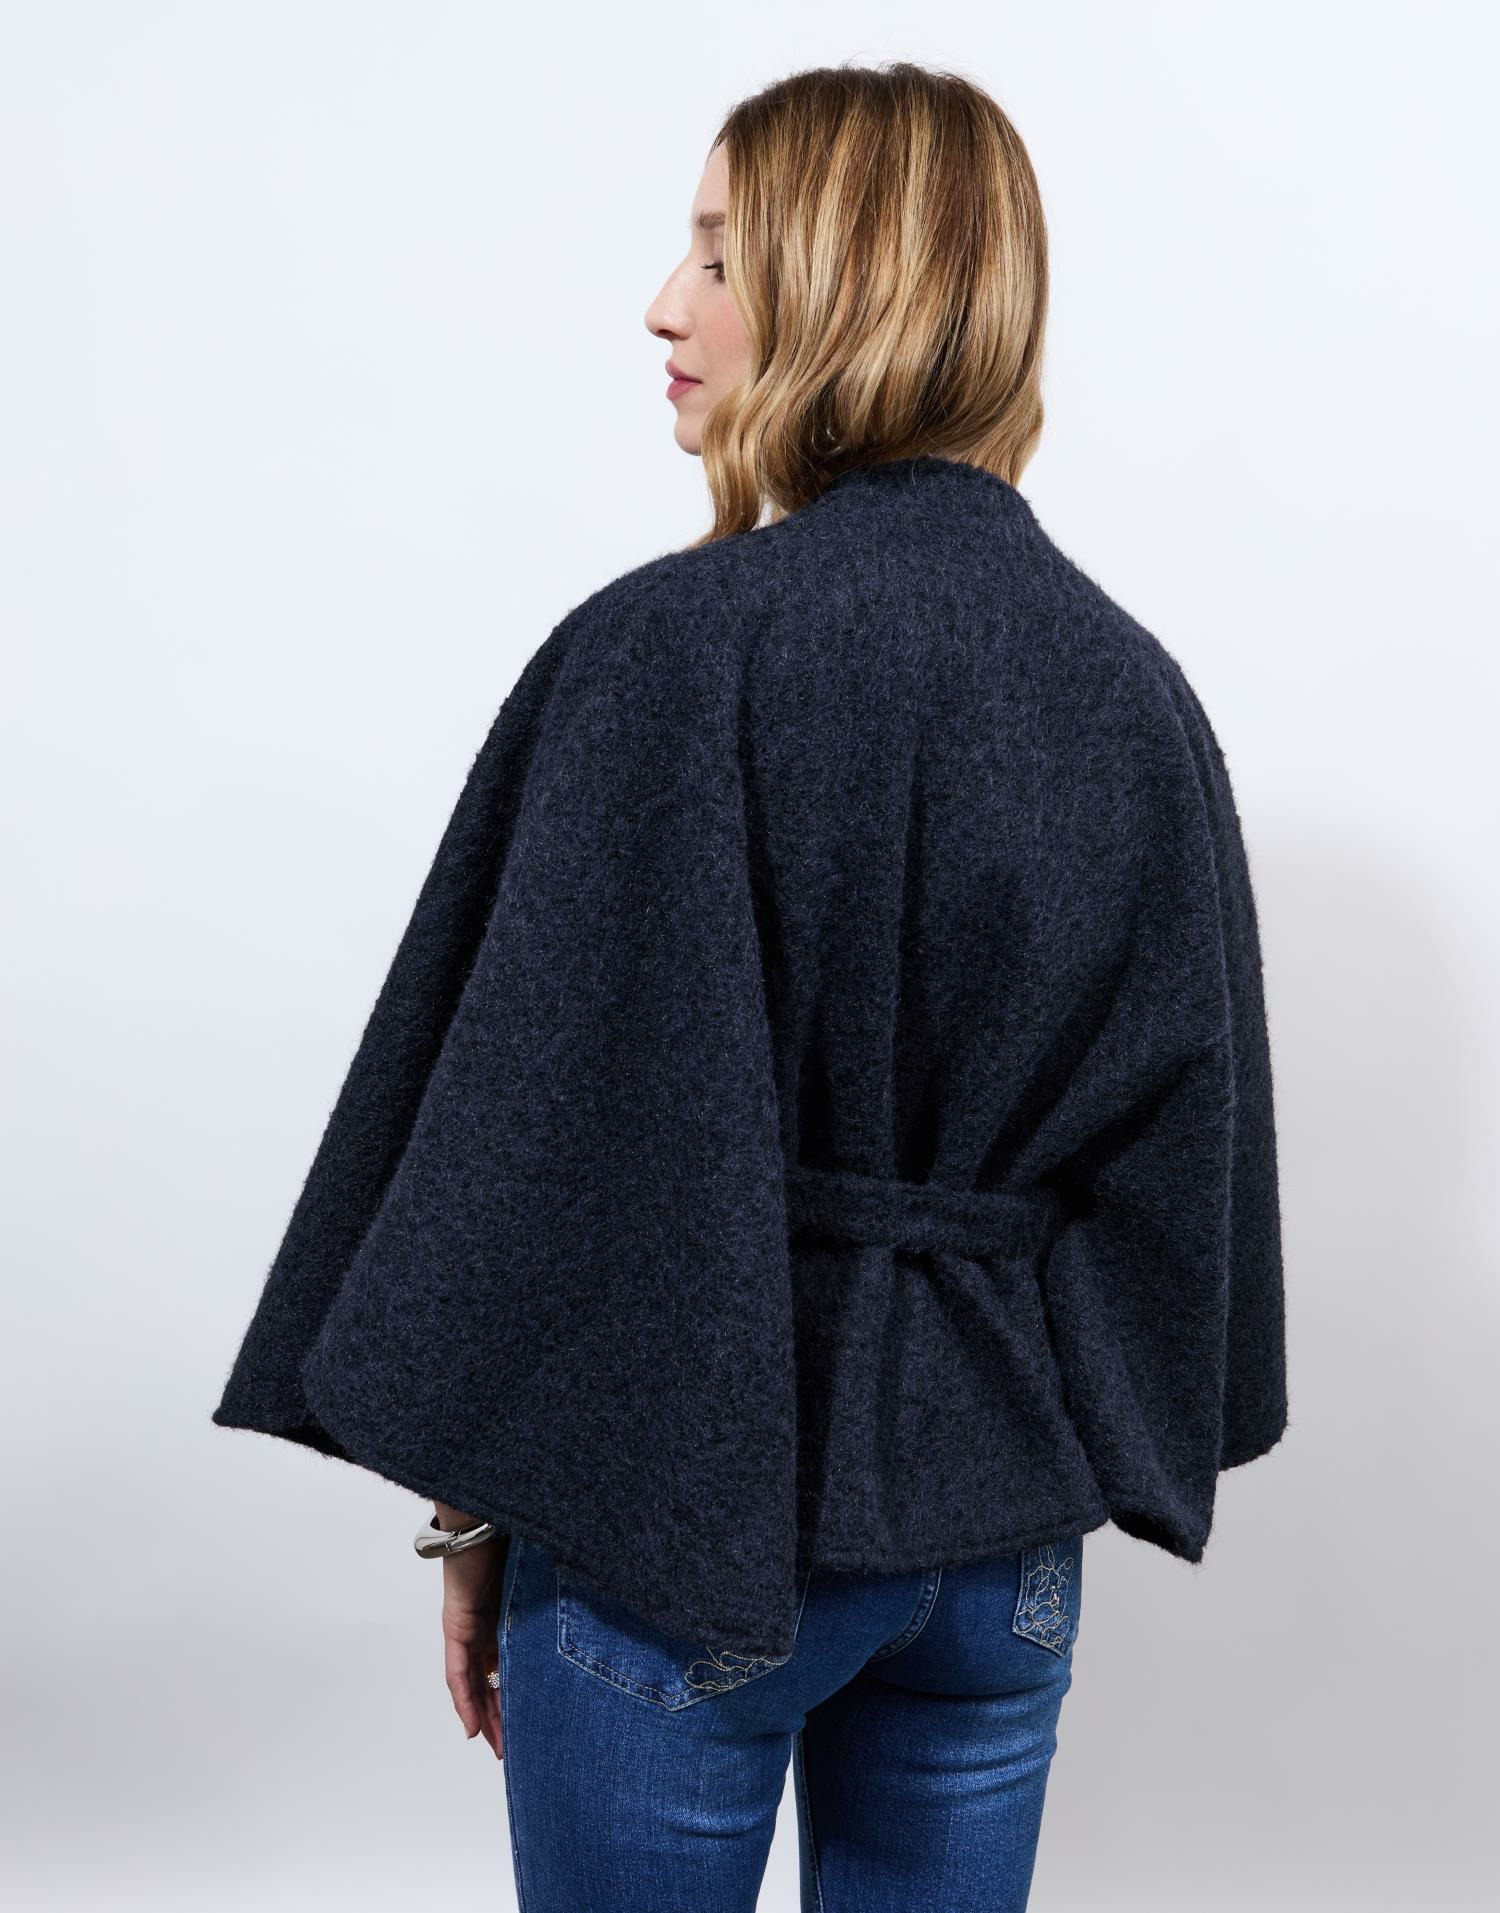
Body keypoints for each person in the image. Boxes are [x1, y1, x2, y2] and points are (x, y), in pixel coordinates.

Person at [213, 61, 1288, 1912]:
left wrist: (478, 1500)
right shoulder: (1136, 695)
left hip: (686, 1512)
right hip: (1003, 1543)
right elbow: (1182, 1145)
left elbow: (547, 1126)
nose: (665, 302)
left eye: (718, 251)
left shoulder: (667, 654)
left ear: (844, 281)